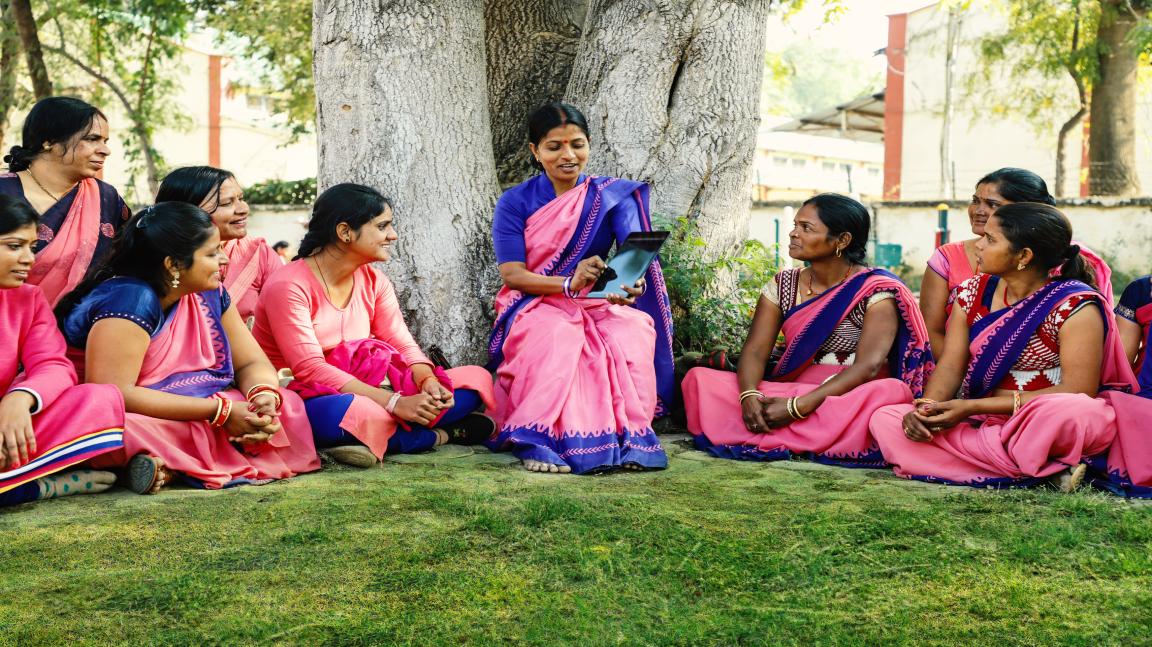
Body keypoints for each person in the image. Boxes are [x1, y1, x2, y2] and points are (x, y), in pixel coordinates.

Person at [57, 202, 320, 493]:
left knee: (288, 404)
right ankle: (172, 465)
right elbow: (113, 392)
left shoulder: (210, 292)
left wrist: (263, 397)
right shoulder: (130, 299)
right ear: (173, 264)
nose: (224, 260)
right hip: (124, 412)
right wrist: (220, 412)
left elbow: (251, 363)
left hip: (188, 403)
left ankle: (167, 468)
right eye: (211, 253)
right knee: (125, 428)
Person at [870, 203, 1134, 489]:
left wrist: (970, 407)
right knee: (887, 418)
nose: (979, 246)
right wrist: (927, 409)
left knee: (1069, 413)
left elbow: (1078, 390)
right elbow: (950, 366)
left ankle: (1004, 461)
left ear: (1023, 256)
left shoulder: (1074, 306)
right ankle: (1042, 469)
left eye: (991, 239)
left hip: (1037, 418)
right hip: (982, 421)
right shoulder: (972, 293)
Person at [486, 102, 674, 474]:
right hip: (533, 301)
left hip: (593, 301)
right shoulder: (515, 201)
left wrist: (627, 286)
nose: (568, 155)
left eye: (578, 144)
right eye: (554, 146)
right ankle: (538, 437)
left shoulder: (610, 196)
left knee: (631, 330)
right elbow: (513, 275)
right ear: (535, 152)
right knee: (560, 336)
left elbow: (634, 260)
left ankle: (630, 437)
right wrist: (570, 283)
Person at [252, 183, 495, 468]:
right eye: (382, 226)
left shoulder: (374, 280)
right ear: (344, 232)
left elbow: (401, 342)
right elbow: (309, 369)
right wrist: (394, 403)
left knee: (475, 381)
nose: (392, 235)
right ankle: (435, 436)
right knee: (347, 412)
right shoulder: (289, 285)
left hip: (374, 385)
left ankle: (372, 438)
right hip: (311, 396)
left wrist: (427, 381)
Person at [681, 194, 932, 465]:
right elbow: (754, 351)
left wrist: (797, 407)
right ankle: (809, 434)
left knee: (889, 392)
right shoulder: (783, 284)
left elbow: (867, 368)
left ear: (842, 240)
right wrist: (749, 395)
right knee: (699, 378)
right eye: (795, 225)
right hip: (790, 386)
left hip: (845, 393)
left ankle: (777, 431)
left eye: (806, 228)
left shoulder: (875, 290)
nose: (793, 233)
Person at [0, 196, 125, 505]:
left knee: (101, 399)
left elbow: (54, 365)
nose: (29, 259)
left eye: (31, 247)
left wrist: (20, 399)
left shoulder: (27, 299)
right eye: (14, 246)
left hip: (11, 424)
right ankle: (38, 487)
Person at [919, 168, 1113, 356]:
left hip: (1046, 378)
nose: (978, 210)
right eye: (975, 201)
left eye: (993, 204)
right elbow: (931, 330)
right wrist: (973, 376)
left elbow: (1087, 339)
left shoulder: (1066, 258)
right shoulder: (948, 258)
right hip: (959, 375)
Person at [0, 97, 131, 306]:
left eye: (105, 142)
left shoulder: (106, 199)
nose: (105, 150)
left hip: (79, 332)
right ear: (49, 141)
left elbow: (130, 262)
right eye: (92, 139)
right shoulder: (4, 192)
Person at [156, 166, 282, 323]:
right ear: (188, 212)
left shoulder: (259, 254)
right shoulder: (158, 265)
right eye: (227, 203)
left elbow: (284, 315)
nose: (244, 209)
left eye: (241, 199)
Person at [1091, 276, 1152, 497]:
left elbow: (1122, 359)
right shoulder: (1142, 290)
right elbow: (1123, 359)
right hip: (1143, 396)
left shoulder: (1143, 289)